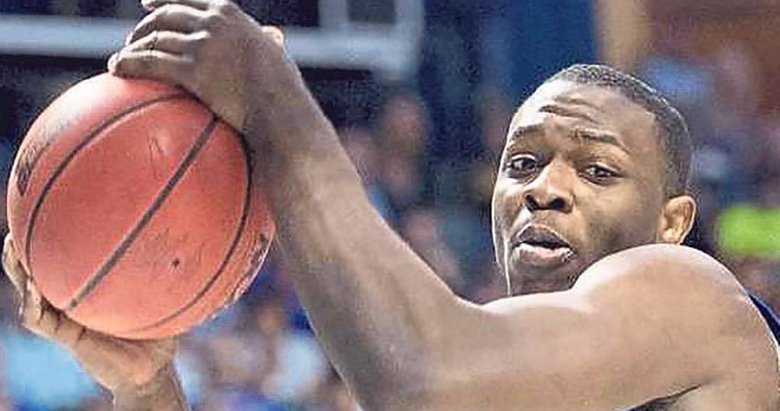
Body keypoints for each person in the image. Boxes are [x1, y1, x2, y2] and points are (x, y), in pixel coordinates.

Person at [4, 0, 779, 409]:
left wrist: (276, 102)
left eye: (599, 170)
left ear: (673, 223)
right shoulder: (508, 380)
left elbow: (423, 382)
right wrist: (146, 386)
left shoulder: (697, 299)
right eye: (522, 163)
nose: (545, 188)